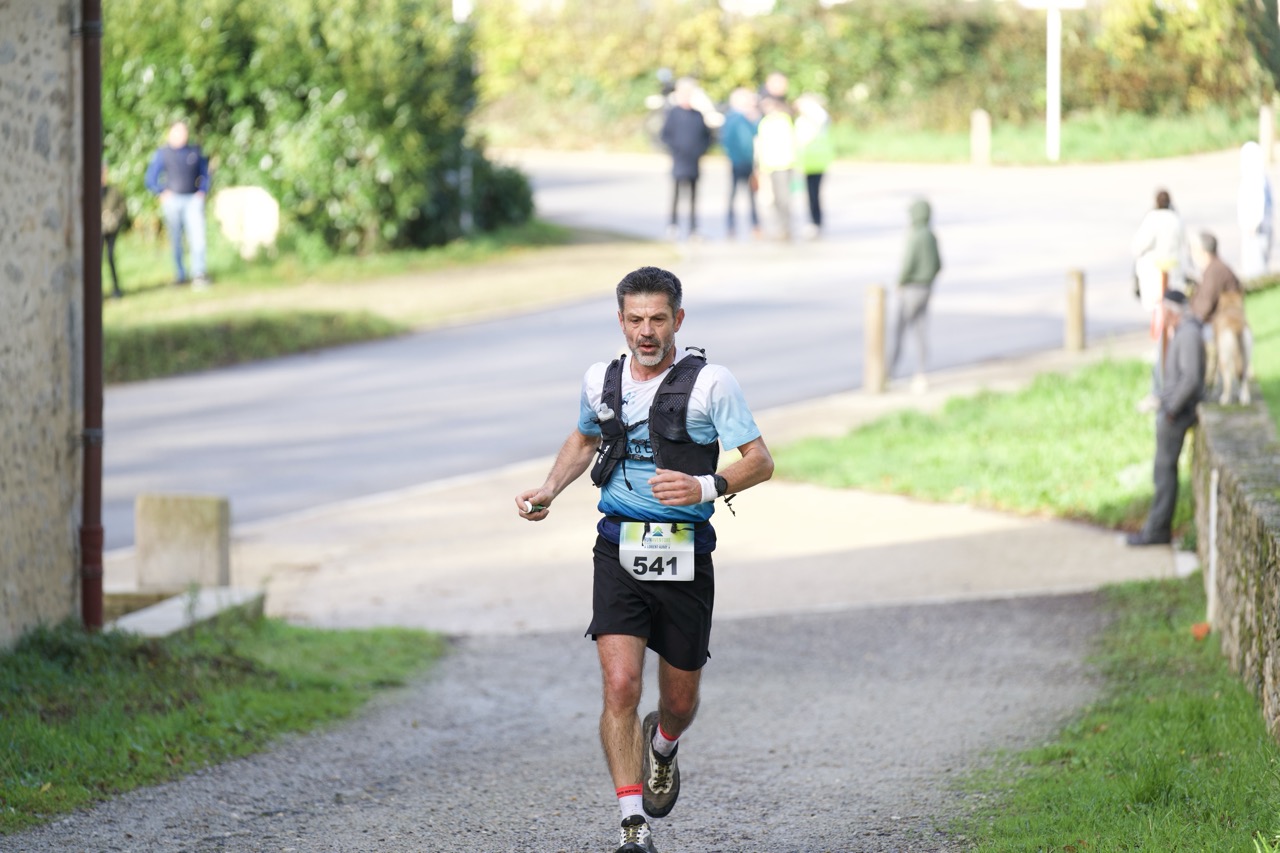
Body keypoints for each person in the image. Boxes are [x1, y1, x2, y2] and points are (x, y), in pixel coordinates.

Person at [515, 266, 774, 853]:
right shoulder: (600, 379)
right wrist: (549, 490)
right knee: (621, 684)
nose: (646, 331)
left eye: (658, 319)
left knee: (678, 702)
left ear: (678, 319)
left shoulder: (712, 384)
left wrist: (705, 486)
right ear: (621, 321)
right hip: (618, 546)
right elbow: (585, 438)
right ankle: (632, 823)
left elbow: (759, 460)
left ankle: (664, 745)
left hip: (685, 550)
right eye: (635, 320)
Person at [1126, 289, 1205, 547]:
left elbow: (1191, 379)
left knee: (1164, 472)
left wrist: (1171, 408)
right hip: (1172, 409)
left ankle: (1157, 530)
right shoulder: (1183, 331)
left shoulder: (1188, 334)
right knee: (1162, 472)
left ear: (1172, 311)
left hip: (1178, 413)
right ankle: (1155, 528)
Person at [1131, 188, 1193, 406]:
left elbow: (1137, 246)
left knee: (1162, 332)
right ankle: (1164, 381)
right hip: (1174, 281)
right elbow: (1186, 250)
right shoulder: (1177, 220)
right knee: (1168, 333)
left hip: (1157, 282)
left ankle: (1161, 385)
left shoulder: (1152, 219)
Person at [145, 121, 210, 288]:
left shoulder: (194, 151)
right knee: (176, 240)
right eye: (178, 132)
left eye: (184, 132)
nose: (182, 135)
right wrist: (161, 191)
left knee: (198, 238)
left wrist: (202, 191)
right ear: (170, 134)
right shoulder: (163, 153)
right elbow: (150, 178)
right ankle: (180, 275)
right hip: (173, 201)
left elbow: (205, 174)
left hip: (192, 200)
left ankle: (199, 273)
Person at [889, 198, 942, 393]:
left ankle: (888, 372)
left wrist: (901, 282)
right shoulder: (931, 236)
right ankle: (921, 373)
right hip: (926, 289)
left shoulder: (915, 236)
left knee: (900, 332)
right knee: (920, 331)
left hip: (911, 289)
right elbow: (938, 265)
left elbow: (907, 263)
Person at [659, 78, 711, 241]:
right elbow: (665, 136)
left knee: (693, 197)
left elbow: (707, 137)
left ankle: (693, 228)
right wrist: (676, 150)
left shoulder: (697, 115)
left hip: (694, 162)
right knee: (676, 195)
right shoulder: (673, 113)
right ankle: (673, 225)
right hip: (679, 161)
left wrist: (699, 150)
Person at [720, 87, 760, 241]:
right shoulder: (733, 117)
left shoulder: (748, 117)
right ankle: (731, 225)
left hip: (749, 161)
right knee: (734, 195)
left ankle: (755, 225)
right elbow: (727, 140)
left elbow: (756, 133)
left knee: (751, 195)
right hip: (737, 162)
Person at [794, 93, 834, 240]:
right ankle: (814, 221)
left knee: (814, 194)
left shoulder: (817, 117)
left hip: (817, 161)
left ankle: (816, 222)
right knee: (810, 194)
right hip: (808, 162)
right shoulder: (803, 120)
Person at [755, 96, 795, 241]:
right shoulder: (764, 122)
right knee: (774, 200)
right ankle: (779, 227)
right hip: (769, 166)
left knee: (783, 198)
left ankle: (785, 227)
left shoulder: (783, 121)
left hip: (783, 165)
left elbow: (789, 143)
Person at [1189, 231, 1242, 325]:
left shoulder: (1215, 271)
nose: (1192, 254)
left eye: (1193, 249)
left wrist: (1187, 314)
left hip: (1222, 324)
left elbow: (1205, 307)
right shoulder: (1213, 267)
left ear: (1202, 250)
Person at [1237, 140, 1273, 280]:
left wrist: (1254, 224)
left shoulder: (1256, 179)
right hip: (1257, 230)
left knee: (1256, 265)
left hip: (1256, 231)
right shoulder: (1259, 178)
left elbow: (1260, 204)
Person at [101, 161, 127, 299]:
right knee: (97, 259)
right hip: (99, 231)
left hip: (111, 230)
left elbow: (123, 208)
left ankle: (116, 288)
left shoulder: (113, 191)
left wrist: (115, 218)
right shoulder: (94, 191)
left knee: (110, 256)